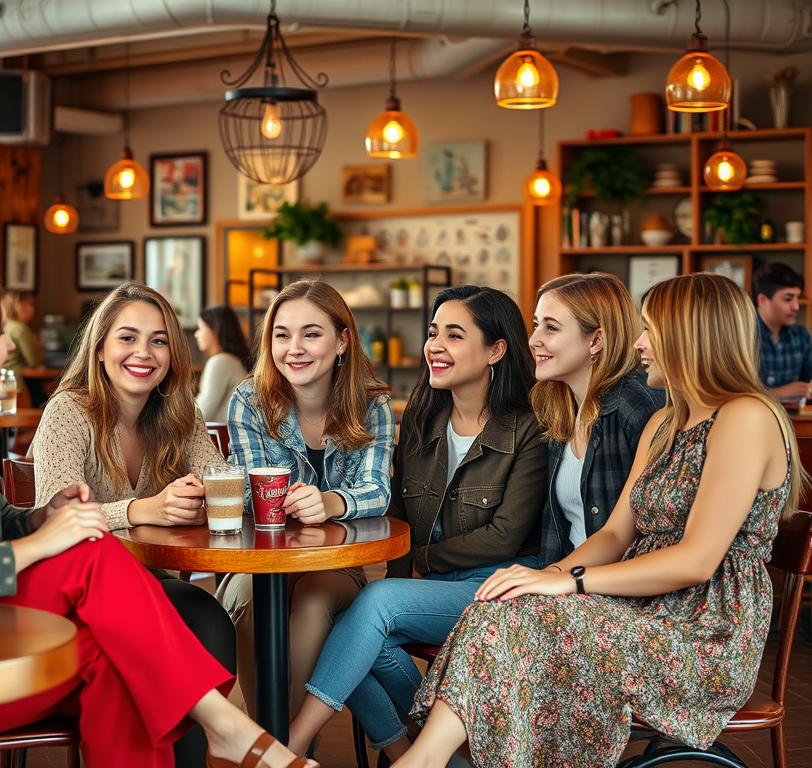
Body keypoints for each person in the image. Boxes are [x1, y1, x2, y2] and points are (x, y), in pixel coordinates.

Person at [0, 263, 315, 768]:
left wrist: (48, 517)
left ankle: (225, 730)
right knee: (93, 555)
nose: (6, 346)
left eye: (159, 340)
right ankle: (229, 728)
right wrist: (42, 542)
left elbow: (3, 523)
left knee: (118, 659)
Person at [396, 272, 800, 768]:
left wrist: (572, 583)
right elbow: (614, 532)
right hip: (647, 614)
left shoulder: (746, 416)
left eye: (650, 328)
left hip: (703, 636)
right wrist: (545, 577)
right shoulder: (664, 422)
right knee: (503, 609)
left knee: (520, 623)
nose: (639, 344)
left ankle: (422, 763)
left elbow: (698, 561)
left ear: (691, 335)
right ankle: (426, 762)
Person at [288, 286, 547, 763]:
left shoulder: (529, 427)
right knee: (350, 629)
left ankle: (290, 746)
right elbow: (401, 518)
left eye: (454, 334)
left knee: (376, 605)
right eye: (432, 333)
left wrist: (419, 564)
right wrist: (406, 574)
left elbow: (505, 535)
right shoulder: (423, 421)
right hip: (436, 586)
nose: (435, 346)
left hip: (502, 587)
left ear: (495, 350)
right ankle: (421, 751)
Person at [31, 280, 238, 767]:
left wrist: (206, 497)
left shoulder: (180, 415)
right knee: (188, 619)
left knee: (207, 616)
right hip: (75, 597)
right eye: (127, 337)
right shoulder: (68, 411)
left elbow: (220, 482)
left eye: (159, 339)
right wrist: (142, 510)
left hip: (151, 584)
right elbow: (54, 518)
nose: (143, 352)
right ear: (99, 347)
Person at [218, 279, 395, 723]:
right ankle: (275, 743)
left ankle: (275, 747)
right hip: (261, 556)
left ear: (342, 341)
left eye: (311, 334)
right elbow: (247, 496)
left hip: (336, 562)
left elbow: (378, 490)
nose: (293, 348)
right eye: (282, 334)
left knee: (314, 601)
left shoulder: (372, 404)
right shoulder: (249, 400)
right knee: (248, 598)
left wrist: (332, 502)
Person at [530, 273, 664, 566]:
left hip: (611, 590)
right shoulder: (560, 405)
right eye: (536, 325)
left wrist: (553, 580)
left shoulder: (634, 404)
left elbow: (647, 535)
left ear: (596, 340)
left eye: (551, 328)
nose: (533, 340)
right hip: (567, 580)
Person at [752, 261, 812, 397]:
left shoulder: (801, 336)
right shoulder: (741, 336)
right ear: (762, 300)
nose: (796, 306)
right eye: (788, 299)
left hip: (795, 417)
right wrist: (779, 393)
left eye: (798, 298)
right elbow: (732, 394)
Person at [195, 305, 251, 423]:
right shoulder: (231, 360)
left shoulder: (220, 362)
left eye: (200, 328)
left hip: (223, 439)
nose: (197, 334)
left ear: (215, 329)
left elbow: (201, 413)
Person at [1, 289, 45, 406]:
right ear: (18, 306)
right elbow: (33, 361)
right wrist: (39, 349)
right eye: (30, 304)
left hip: (3, 383)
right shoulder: (21, 329)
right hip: (17, 385)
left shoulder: (4, 325)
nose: (33, 309)